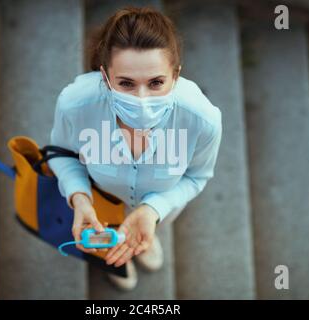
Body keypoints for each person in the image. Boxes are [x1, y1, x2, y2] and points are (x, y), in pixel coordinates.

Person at [47, 6, 222, 291]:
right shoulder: (75, 103)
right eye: (126, 83)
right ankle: (116, 255)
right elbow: (61, 153)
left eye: (156, 83)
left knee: (152, 226)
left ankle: (147, 236)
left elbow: (196, 176)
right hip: (100, 207)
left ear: (175, 76)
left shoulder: (203, 120)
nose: (142, 99)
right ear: (105, 77)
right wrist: (79, 198)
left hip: (163, 209)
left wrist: (154, 210)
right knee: (106, 243)